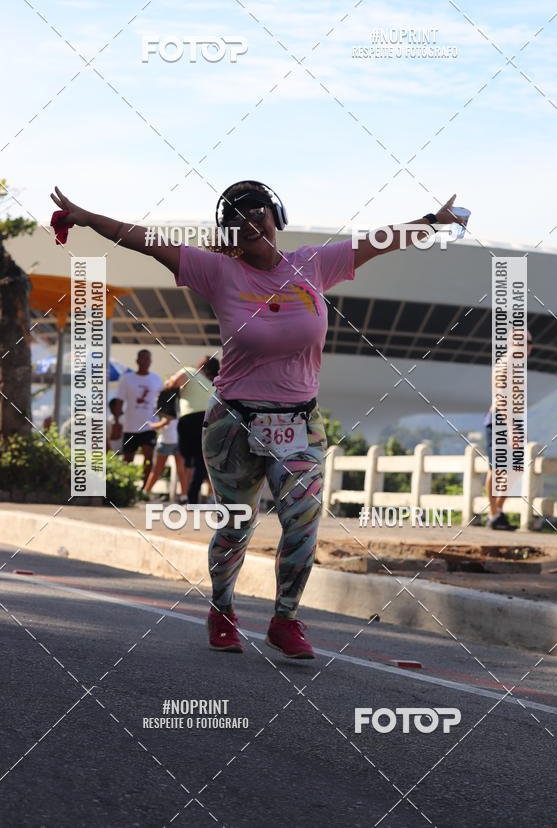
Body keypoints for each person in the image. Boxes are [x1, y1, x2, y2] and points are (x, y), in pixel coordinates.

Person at [50, 181, 466, 659]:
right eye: (240, 216)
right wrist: (84, 215)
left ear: (277, 216)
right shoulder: (216, 271)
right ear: (231, 229)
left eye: (259, 212)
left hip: (300, 423)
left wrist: (433, 223)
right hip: (234, 422)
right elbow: (144, 239)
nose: (252, 221)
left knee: (303, 522)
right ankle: (222, 610)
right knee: (236, 525)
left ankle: (285, 620)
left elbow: (378, 241)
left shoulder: (313, 264)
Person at [485, 330, 533, 529]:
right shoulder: (506, 364)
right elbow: (502, 399)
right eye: (524, 341)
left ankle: (497, 511)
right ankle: (494, 513)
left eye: (530, 342)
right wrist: (512, 428)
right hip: (499, 419)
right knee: (496, 468)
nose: (529, 345)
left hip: (510, 420)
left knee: (516, 467)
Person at [165, 356, 219, 504]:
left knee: (185, 459)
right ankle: (192, 499)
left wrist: (167, 385)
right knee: (200, 461)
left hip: (189, 419)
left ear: (200, 366)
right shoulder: (213, 386)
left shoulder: (189, 371)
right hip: (207, 421)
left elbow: (173, 383)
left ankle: (184, 496)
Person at [114, 349, 163, 483]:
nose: (144, 361)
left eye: (147, 359)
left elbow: (163, 400)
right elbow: (119, 401)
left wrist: (163, 420)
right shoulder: (127, 379)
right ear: (137, 360)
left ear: (150, 361)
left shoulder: (156, 379)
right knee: (128, 460)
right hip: (130, 426)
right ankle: (127, 486)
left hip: (149, 426)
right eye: (142, 358)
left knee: (148, 459)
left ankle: (143, 489)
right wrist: (117, 421)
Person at [143, 405, 187, 499]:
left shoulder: (167, 409)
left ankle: (145, 492)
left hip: (166, 442)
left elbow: (164, 423)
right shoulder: (181, 408)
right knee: (181, 470)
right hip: (178, 440)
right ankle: (184, 496)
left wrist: (149, 424)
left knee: (157, 470)